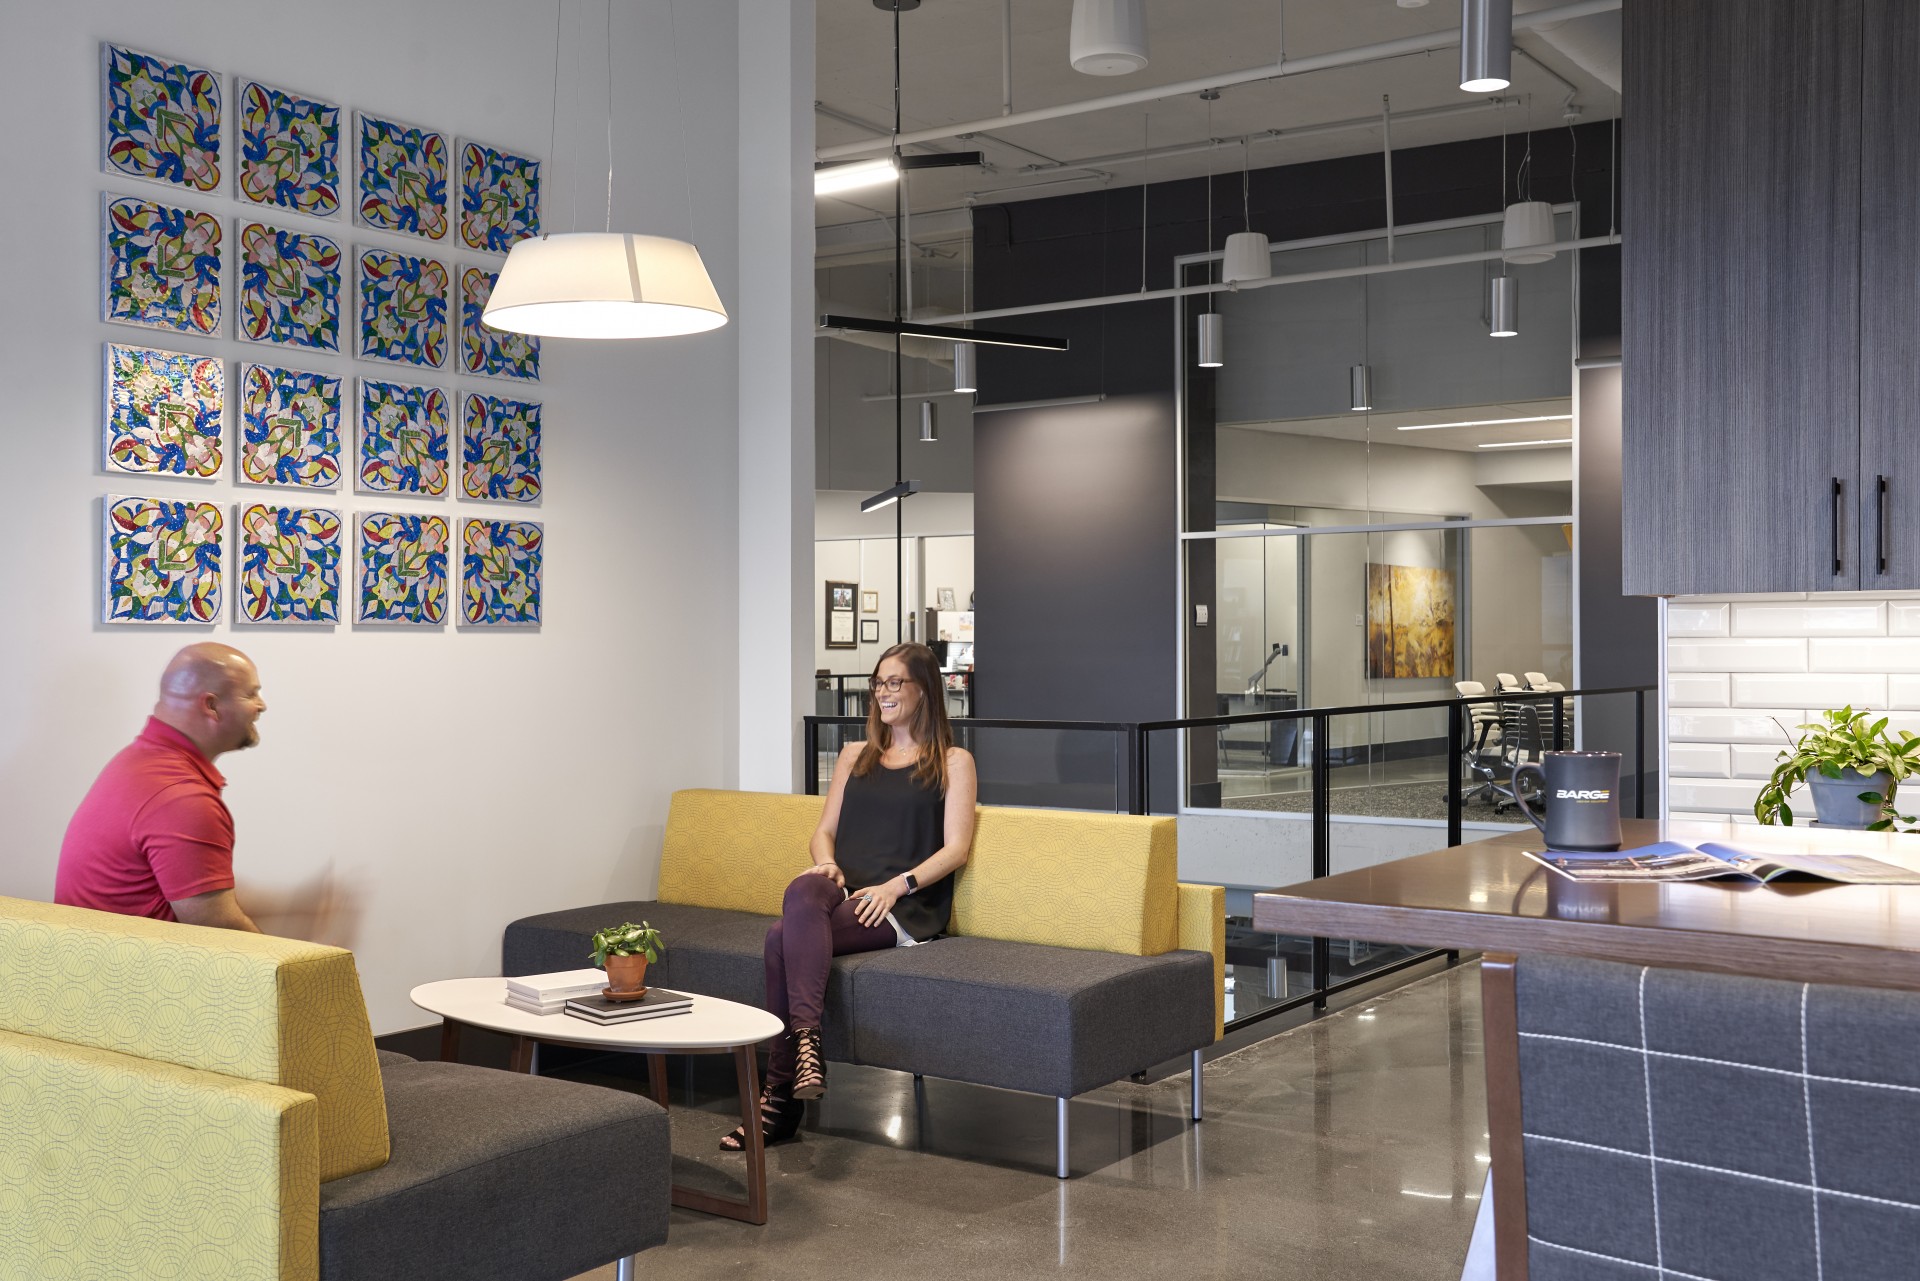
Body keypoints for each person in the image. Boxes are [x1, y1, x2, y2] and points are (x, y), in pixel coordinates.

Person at [721, 642, 978, 1152]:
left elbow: (956, 849)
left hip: (897, 905)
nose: (882, 692)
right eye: (878, 683)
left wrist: (896, 885)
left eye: (894, 682)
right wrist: (828, 863)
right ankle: (807, 1049)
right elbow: (824, 833)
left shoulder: (953, 761)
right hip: (843, 889)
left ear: (925, 690)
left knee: (778, 939)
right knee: (804, 885)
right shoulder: (853, 756)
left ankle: (779, 1098)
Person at [56, 643, 270, 930]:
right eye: (251, 694)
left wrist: (298, 907)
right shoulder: (182, 799)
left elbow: (200, 893)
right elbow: (221, 932)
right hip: (130, 959)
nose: (261, 706)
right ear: (211, 706)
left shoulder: (141, 762)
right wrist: (311, 957)